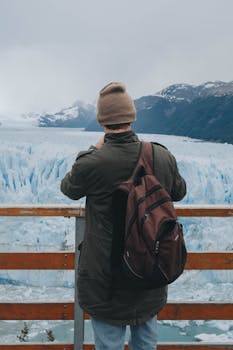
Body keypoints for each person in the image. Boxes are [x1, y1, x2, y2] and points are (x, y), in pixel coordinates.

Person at [60, 82, 186, 350]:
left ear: (102, 120)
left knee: (109, 345)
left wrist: (94, 151)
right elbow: (179, 191)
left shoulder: (93, 162)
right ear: (132, 117)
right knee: (146, 343)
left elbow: (69, 188)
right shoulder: (161, 155)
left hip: (106, 278)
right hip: (149, 269)